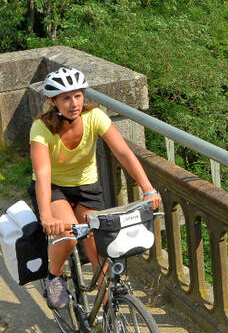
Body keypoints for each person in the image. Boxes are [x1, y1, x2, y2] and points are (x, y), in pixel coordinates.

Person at [29, 66, 161, 311]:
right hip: (55, 188)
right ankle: (54, 276)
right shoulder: (41, 128)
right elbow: (43, 173)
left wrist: (148, 188)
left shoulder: (95, 117)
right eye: (66, 98)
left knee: (100, 250)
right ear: (52, 101)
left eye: (78, 95)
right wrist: (46, 215)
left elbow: (122, 151)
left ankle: (108, 313)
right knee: (68, 235)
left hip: (87, 187)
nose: (74, 103)